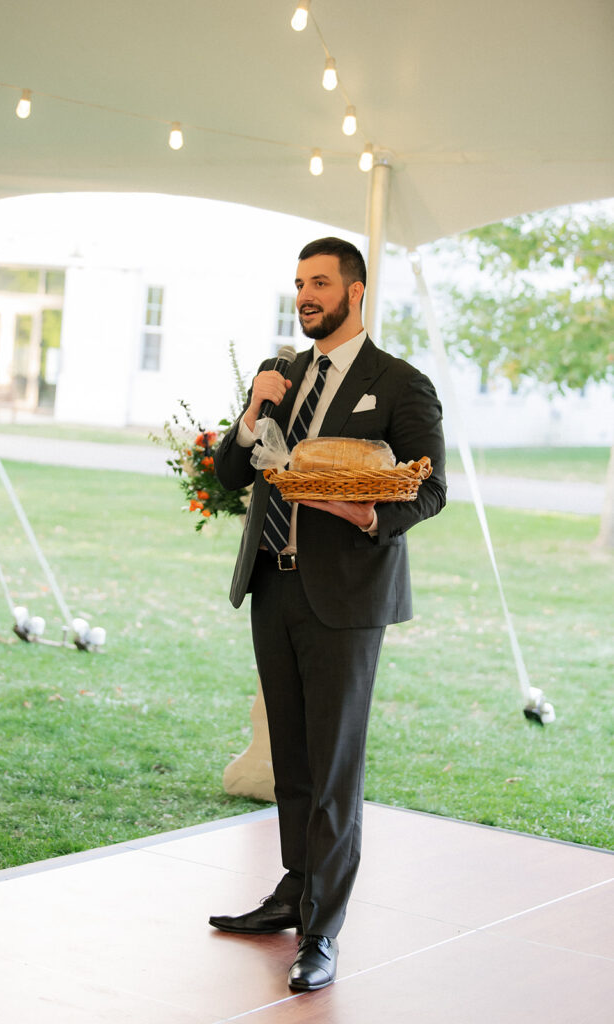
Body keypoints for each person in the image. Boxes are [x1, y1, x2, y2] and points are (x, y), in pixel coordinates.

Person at [210, 237, 446, 991]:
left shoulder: (399, 384)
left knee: (335, 769)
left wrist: (367, 515)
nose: (306, 295)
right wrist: (252, 413)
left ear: (356, 292)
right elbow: (229, 472)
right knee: (294, 761)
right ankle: (292, 889)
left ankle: (322, 930)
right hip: (273, 586)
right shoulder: (284, 376)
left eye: (320, 283)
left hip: (345, 600)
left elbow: (430, 490)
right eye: (299, 283)